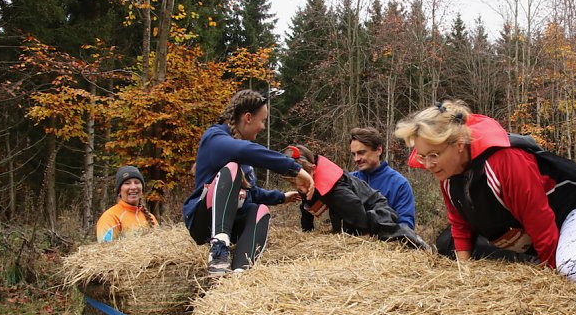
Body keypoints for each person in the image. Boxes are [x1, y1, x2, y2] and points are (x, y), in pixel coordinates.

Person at [393, 100, 576, 283]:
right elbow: (460, 223)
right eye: (422, 157)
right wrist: (463, 274)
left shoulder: (505, 162)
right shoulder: (447, 172)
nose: (428, 164)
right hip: (535, 228)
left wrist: (554, 284)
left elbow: (540, 221)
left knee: (572, 269)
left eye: (433, 155)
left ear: (458, 145)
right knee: (447, 245)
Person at [182, 89, 314, 277]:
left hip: (234, 222)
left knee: (260, 210)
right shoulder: (214, 138)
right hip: (204, 221)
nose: (263, 127)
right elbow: (245, 151)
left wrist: (281, 197)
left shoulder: (242, 154)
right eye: (263, 121)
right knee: (232, 169)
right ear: (248, 118)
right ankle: (218, 251)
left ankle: (241, 272)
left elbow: (251, 193)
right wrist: (294, 169)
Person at [284, 144, 427, 248]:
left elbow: (357, 213)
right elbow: (307, 206)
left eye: (300, 181)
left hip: (379, 213)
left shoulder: (336, 190)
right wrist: (306, 234)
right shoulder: (306, 180)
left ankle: (406, 235)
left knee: (373, 224)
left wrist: (345, 239)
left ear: (313, 170)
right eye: (292, 183)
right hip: (356, 211)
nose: (298, 187)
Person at [349, 127, 416, 229]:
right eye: (354, 154)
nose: (356, 159)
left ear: (378, 150)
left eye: (361, 152)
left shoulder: (399, 184)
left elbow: (406, 227)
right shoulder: (349, 181)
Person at [96, 165, 158, 242]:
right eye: (127, 183)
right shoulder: (110, 218)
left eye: (137, 182)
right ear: (119, 190)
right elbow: (105, 248)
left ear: (142, 189)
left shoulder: (151, 218)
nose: (133, 187)